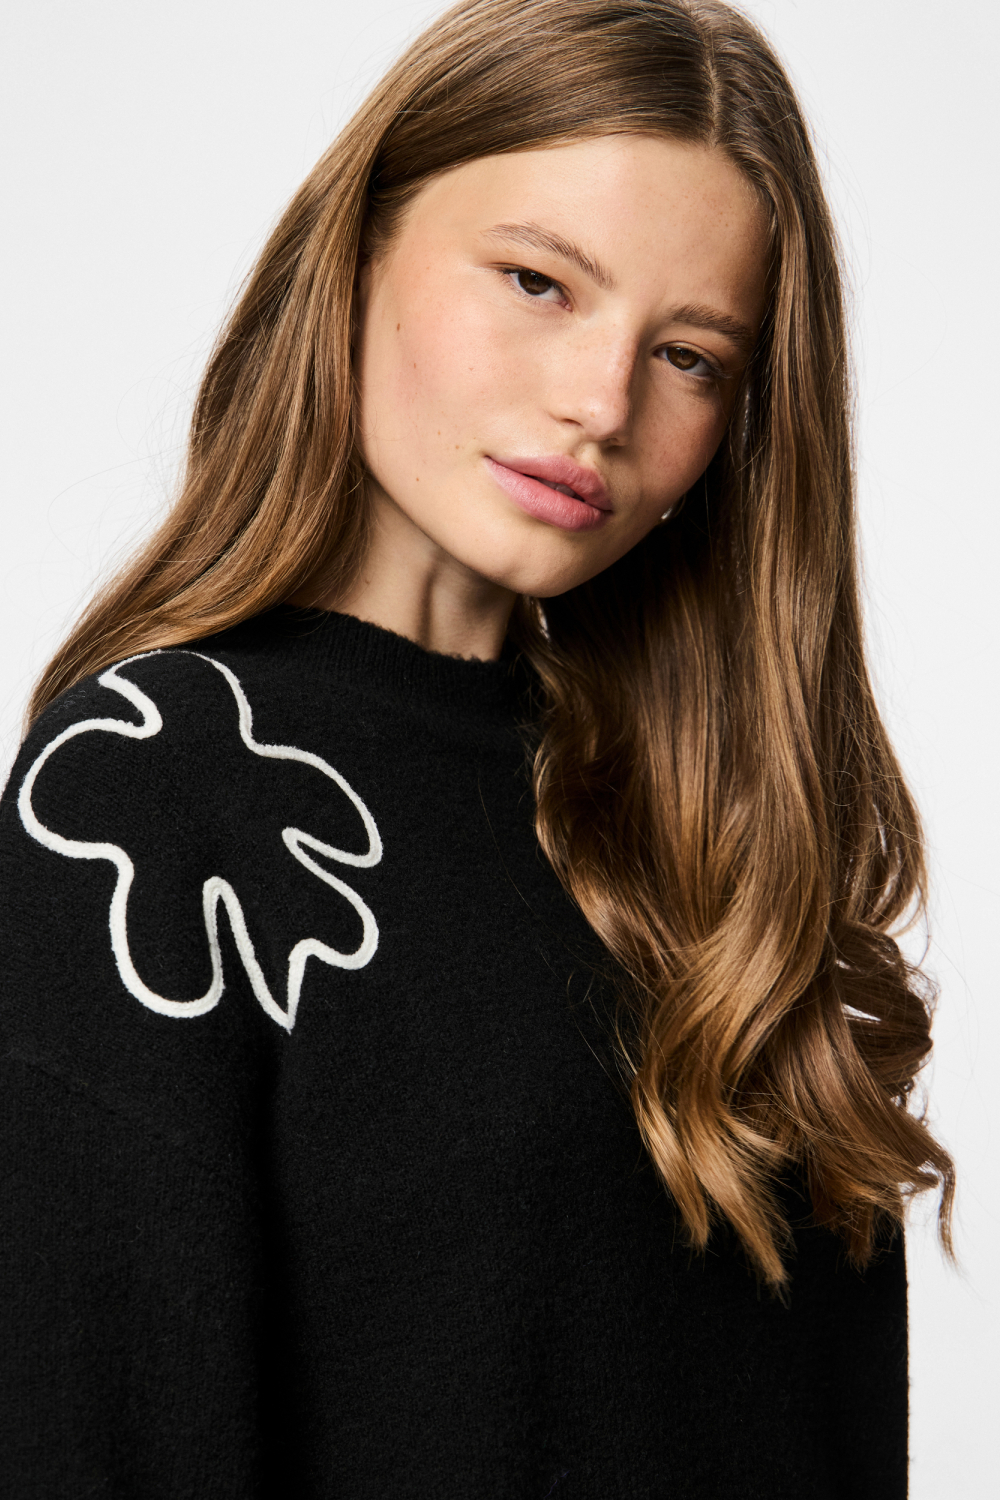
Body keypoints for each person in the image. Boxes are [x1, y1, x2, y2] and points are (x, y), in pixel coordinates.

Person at [0, 0, 955, 1494]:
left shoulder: (720, 849)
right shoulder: (153, 786)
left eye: (690, 355)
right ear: (359, 249)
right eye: (536, 281)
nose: (600, 402)